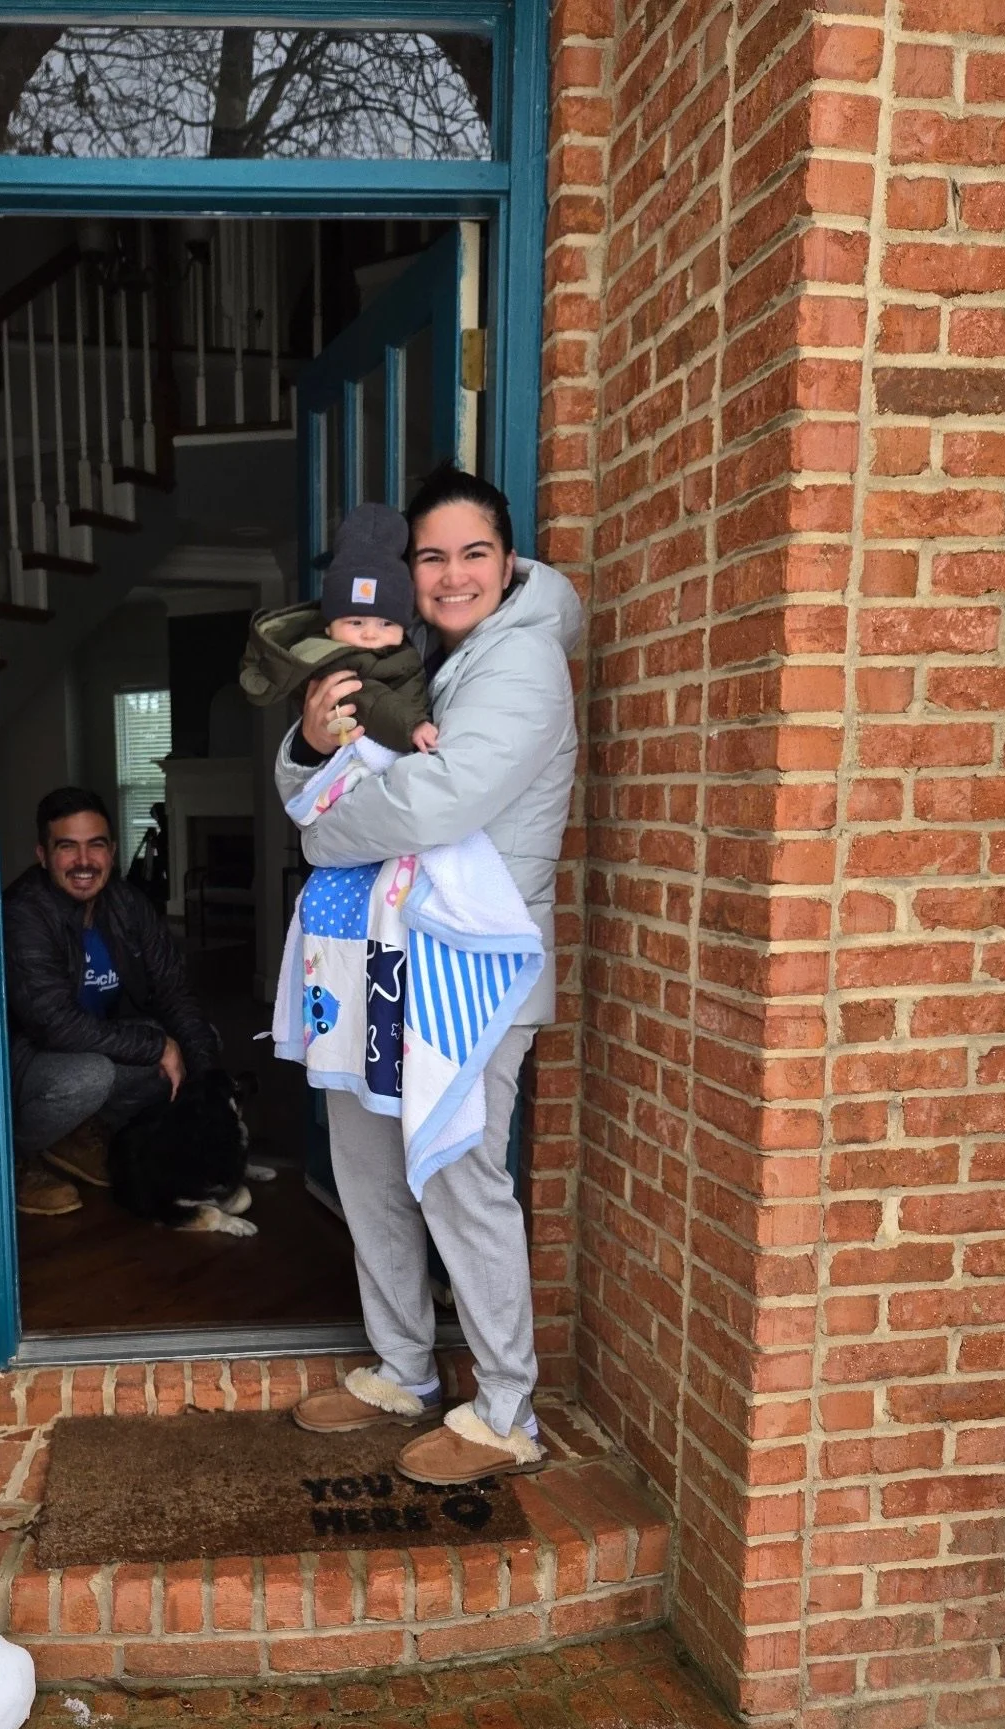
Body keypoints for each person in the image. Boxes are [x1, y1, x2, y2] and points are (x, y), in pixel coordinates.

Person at [277, 465, 581, 1486]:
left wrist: (320, 841)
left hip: (472, 973)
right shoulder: (419, 659)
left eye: (473, 553)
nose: (452, 575)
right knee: (366, 1164)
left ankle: (505, 1408)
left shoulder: (522, 665)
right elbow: (315, 772)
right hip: (379, 962)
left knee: (459, 1177)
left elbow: (432, 804)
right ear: (407, 572)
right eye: (432, 556)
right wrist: (308, 740)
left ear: (509, 560)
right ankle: (404, 1366)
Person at [2, 787, 215, 1216]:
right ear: (43, 854)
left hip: (91, 1044)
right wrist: (157, 1047)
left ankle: (77, 1132)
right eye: (68, 848)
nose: (84, 862)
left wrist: (206, 1091)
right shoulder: (25, 912)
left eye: (95, 846)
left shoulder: (126, 904)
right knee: (93, 1075)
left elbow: (172, 989)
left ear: (112, 851)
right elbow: (53, 1023)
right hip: (29, 1058)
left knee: (195, 1041)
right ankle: (17, 1158)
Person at [240, 503, 439, 755]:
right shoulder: (337, 660)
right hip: (372, 748)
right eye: (355, 622)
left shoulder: (402, 648)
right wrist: (413, 727)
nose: (370, 634)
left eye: (386, 623)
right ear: (329, 629)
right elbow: (366, 698)